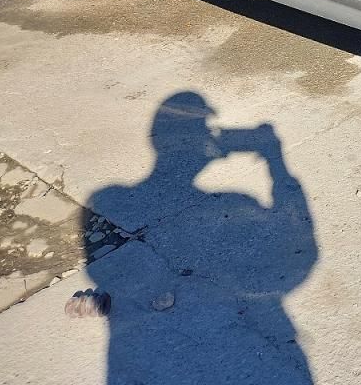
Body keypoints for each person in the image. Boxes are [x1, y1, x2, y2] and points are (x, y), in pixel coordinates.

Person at [85, 92, 318, 384]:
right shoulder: (235, 203)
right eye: (203, 129)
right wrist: (275, 159)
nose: (211, 134)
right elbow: (300, 255)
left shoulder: (110, 201)